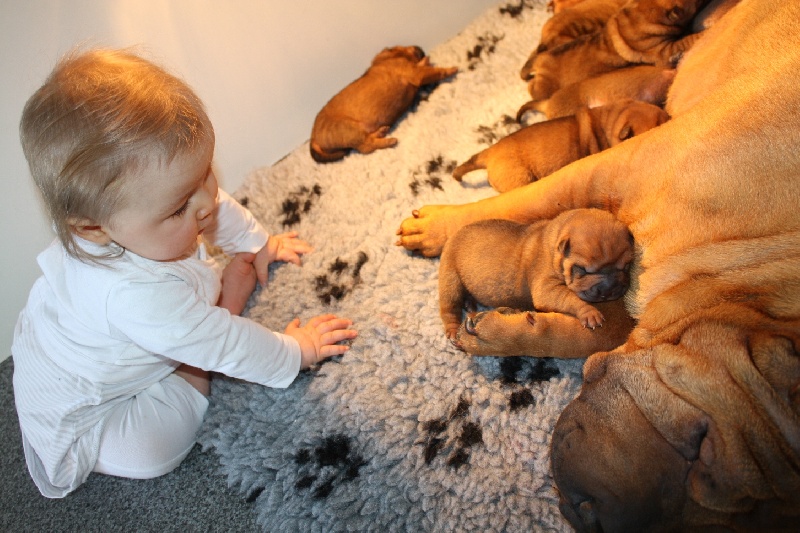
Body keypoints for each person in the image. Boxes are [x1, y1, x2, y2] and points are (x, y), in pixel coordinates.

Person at [12, 48, 358, 498]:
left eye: (204, 175)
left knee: (189, 233)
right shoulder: (130, 295)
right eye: (179, 207)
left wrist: (258, 243)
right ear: (95, 229)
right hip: (94, 412)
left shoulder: (151, 211)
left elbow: (206, 205)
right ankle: (200, 350)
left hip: (120, 333)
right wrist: (296, 351)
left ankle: (193, 331)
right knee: (153, 451)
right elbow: (229, 344)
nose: (207, 202)